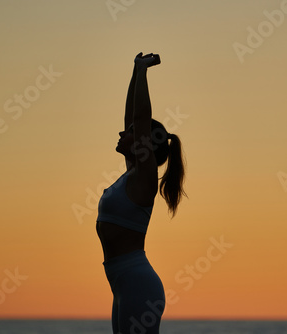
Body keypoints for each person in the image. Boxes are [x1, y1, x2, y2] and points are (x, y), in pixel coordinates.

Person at [96, 52, 187, 334]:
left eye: (132, 133)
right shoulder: (131, 174)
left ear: (145, 142)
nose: (123, 133)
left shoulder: (144, 179)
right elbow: (131, 117)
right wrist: (135, 73)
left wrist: (143, 71)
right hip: (123, 284)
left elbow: (140, 116)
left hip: (138, 285)